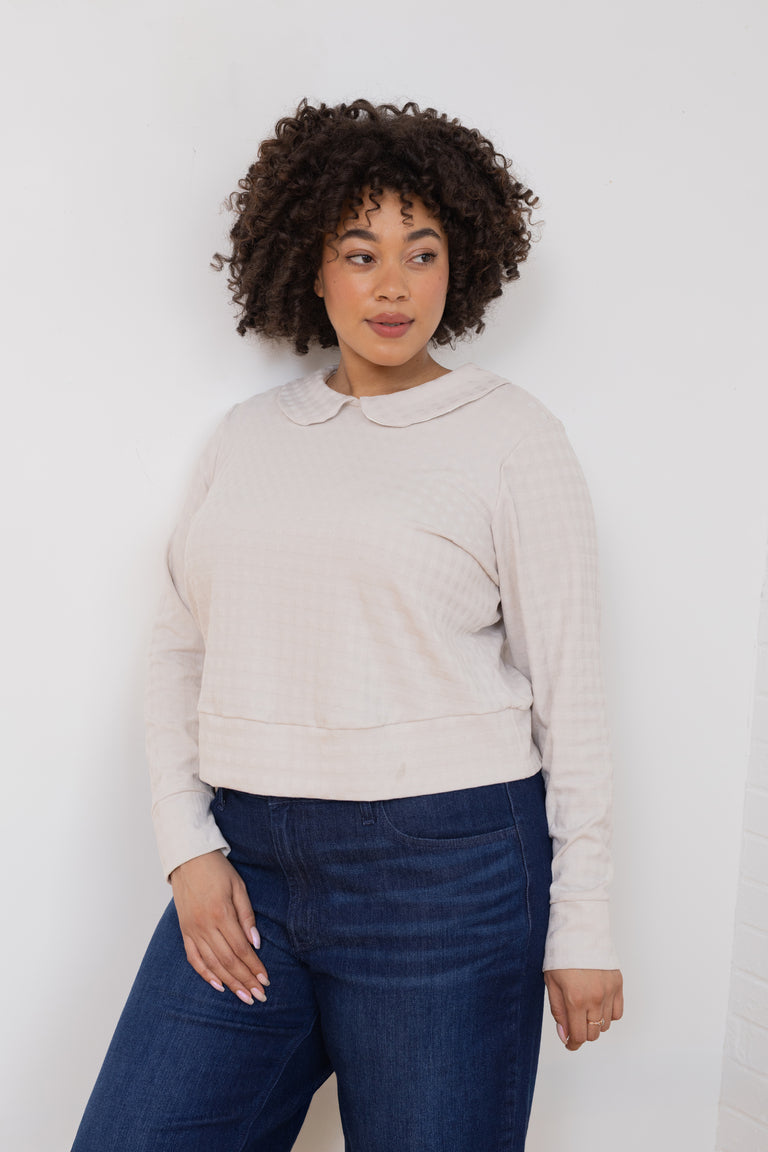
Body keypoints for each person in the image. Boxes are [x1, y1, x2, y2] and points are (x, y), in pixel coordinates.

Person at [71, 98, 623, 1152]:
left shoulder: (510, 437)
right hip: (251, 868)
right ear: (309, 265)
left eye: (423, 252)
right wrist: (188, 848)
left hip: (448, 875)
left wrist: (585, 921)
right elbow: (180, 647)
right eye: (359, 251)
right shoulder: (246, 439)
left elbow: (573, 691)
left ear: (462, 264)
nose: (393, 284)